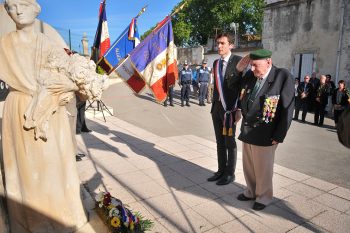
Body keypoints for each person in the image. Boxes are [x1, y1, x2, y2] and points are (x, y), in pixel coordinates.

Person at [0, 0, 88, 232]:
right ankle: (30, 218)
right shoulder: (3, 45)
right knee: (26, 166)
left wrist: (69, 89)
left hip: (50, 111)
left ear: (35, 7)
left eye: (24, 4)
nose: (18, 10)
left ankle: (60, 212)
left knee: (53, 163)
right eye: (11, 6)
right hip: (19, 107)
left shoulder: (49, 44)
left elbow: (69, 78)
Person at [235, 49, 294, 211]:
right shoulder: (249, 76)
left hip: (266, 132)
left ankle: (264, 196)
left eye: (255, 65)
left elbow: (287, 109)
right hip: (247, 130)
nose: (252, 69)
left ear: (268, 61)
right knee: (249, 166)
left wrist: (279, 135)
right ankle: (251, 191)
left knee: (263, 168)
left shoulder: (282, 76)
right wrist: (239, 70)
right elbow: (234, 87)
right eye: (251, 65)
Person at [207, 32, 242, 186]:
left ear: (231, 45)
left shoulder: (239, 62)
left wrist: (239, 109)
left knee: (230, 141)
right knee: (219, 141)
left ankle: (230, 173)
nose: (219, 46)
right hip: (216, 108)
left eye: (222, 43)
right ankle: (221, 170)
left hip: (230, 110)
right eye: (218, 43)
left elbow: (243, 88)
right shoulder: (216, 63)